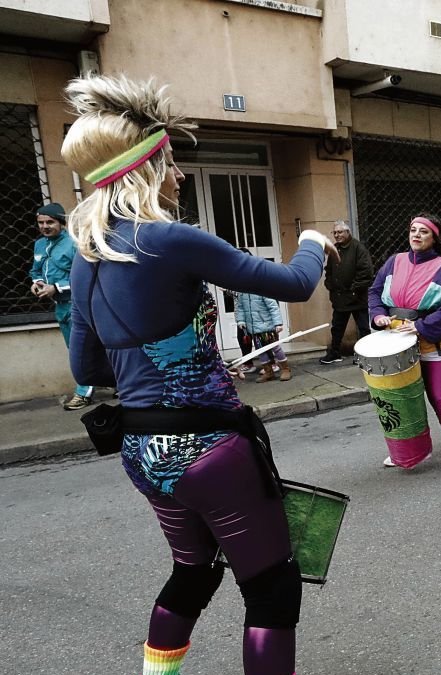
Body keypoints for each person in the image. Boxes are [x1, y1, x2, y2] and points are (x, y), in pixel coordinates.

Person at [63, 74, 339, 675]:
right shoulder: (171, 239)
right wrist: (312, 240)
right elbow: (296, 284)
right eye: (170, 162)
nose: (180, 175)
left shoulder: (88, 257)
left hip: (142, 451)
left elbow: (86, 367)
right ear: (145, 170)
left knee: (193, 571)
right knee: (271, 588)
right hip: (210, 450)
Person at [368, 213, 441, 476]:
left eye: (423, 231)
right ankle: (409, 450)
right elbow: (375, 292)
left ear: (434, 238)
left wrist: (421, 326)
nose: (416, 235)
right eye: (413, 229)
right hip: (397, 340)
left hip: (432, 342)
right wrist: (378, 315)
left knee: (439, 397)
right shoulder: (394, 261)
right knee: (401, 397)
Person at [30, 202, 95, 410]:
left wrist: (56, 287)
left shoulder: (74, 243)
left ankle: (84, 393)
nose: (45, 226)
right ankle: (117, 383)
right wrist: (37, 282)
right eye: (41, 223)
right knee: (77, 349)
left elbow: (85, 276)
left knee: (81, 350)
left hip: (79, 305)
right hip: (60, 307)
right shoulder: (39, 245)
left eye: (50, 222)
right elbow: (36, 270)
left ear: (61, 223)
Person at [319, 220, 373, 365]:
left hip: (357, 297)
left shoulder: (358, 248)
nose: (337, 235)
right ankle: (334, 353)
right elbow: (329, 270)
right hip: (339, 297)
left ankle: (365, 355)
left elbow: (366, 272)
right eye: (335, 232)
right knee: (337, 327)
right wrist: (330, 285)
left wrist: (354, 289)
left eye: (340, 232)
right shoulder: (334, 249)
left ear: (348, 232)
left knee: (363, 328)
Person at [234, 280, 292, 383]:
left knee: (276, 348)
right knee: (260, 351)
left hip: (267, 328)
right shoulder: (242, 293)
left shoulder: (263, 290)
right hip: (254, 329)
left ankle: (285, 369)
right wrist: (241, 320)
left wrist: (278, 323)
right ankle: (268, 372)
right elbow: (240, 308)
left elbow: (273, 307)